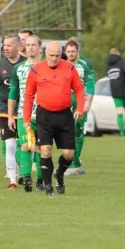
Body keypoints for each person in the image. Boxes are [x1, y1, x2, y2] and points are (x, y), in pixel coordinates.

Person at [23, 41, 85, 196]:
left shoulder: (69, 68)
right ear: (45, 53)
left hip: (65, 116)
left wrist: (80, 108)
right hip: (44, 115)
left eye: (57, 55)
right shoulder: (36, 70)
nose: (54, 58)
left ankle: (59, 173)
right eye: (51, 55)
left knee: (68, 154)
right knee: (45, 150)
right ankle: (48, 186)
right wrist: (26, 118)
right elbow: (29, 95)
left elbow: (78, 89)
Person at [0, 35, 26, 189]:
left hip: (24, 111)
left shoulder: (26, 64)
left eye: (9, 45)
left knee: (26, 145)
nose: (6, 48)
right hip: (4, 112)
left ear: (18, 46)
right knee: (10, 146)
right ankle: (12, 181)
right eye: (4, 45)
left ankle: (25, 172)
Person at [8, 35, 43, 192]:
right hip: (25, 116)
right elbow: (13, 93)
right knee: (26, 145)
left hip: (43, 116)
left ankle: (41, 179)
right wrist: (10, 115)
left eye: (33, 45)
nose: (30, 47)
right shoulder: (18, 69)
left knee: (41, 148)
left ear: (39, 48)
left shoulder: (45, 67)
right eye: (28, 45)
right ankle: (27, 177)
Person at [64, 37, 95, 176]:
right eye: (68, 51)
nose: (71, 54)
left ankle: (75, 163)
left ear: (78, 52)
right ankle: (74, 163)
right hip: (65, 101)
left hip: (80, 101)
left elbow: (90, 85)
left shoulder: (84, 65)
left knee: (78, 132)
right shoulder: (61, 65)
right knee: (67, 132)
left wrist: (88, 103)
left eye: (73, 51)